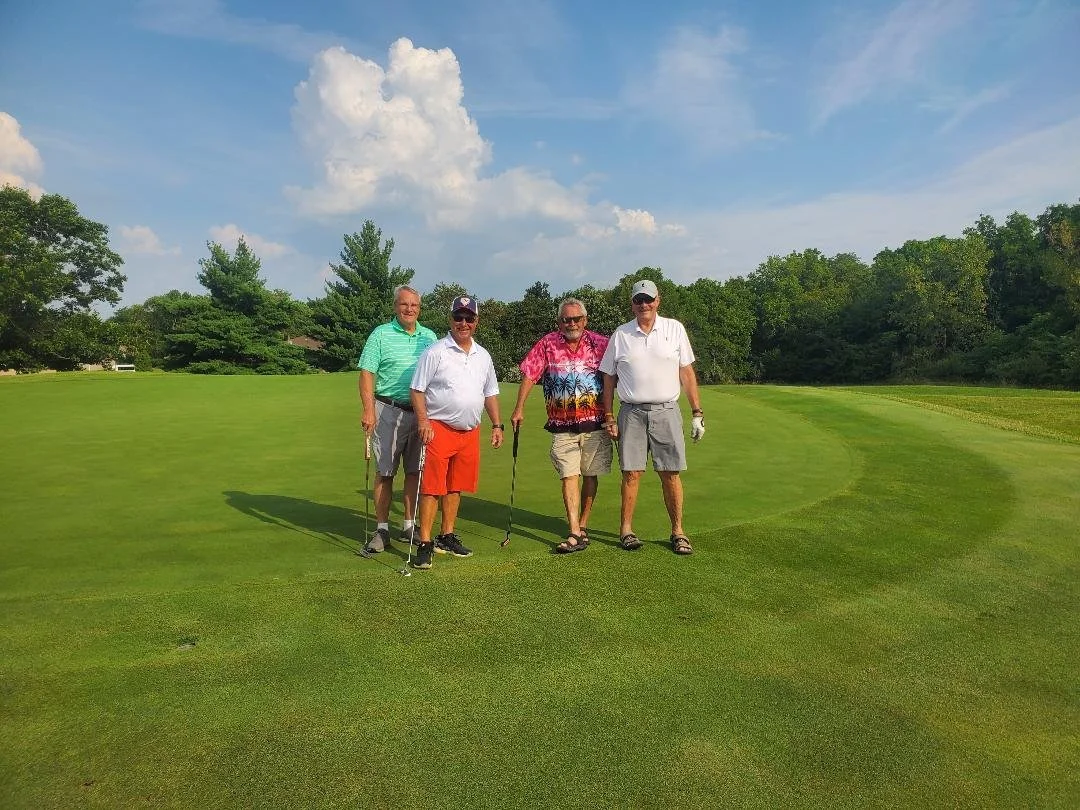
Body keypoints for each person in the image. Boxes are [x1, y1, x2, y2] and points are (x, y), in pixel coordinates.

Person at [598, 279, 705, 555]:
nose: (643, 305)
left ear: (658, 300)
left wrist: (697, 412)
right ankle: (626, 530)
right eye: (638, 300)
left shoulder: (674, 329)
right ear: (632, 304)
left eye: (648, 299)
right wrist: (608, 415)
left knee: (670, 474)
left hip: (666, 411)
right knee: (631, 473)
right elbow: (608, 377)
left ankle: (678, 531)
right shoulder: (621, 334)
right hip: (631, 412)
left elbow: (687, 373)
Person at [408, 295, 504, 570]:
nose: (464, 323)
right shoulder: (436, 351)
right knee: (432, 488)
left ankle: (446, 535)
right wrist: (423, 422)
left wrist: (496, 424)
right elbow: (417, 390)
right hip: (438, 428)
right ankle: (425, 542)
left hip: (469, 431)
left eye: (469, 318)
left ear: (476, 321)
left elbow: (490, 393)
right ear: (450, 320)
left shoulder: (483, 355)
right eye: (458, 318)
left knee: (456, 485)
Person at [510, 297, 612, 553]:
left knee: (590, 475)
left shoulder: (601, 344)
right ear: (559, 321)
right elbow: (530, 373)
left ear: (585, 320)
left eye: (576, 319)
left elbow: (617, 374)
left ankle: (583, 525)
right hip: (562, 424)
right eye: (566, 319)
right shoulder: (548, 343)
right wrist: (519, 407)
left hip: (595, 424)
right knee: (569, 475)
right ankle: (574, 530)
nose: (571, 323)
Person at [358, 285, 438, 554]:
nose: (409, 309)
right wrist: (368, 409)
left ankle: (409, 525)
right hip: (387, 409)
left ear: (420, 308)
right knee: (385, 471)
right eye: (404, 304)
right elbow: (367, 374)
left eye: (414, 305)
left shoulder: (429, 337)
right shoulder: (380, 334)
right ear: (395, 307)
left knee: (415, 471)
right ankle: (382, 529)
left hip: (421, 413)